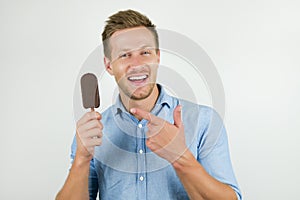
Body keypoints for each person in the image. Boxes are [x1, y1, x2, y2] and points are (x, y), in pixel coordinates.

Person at [56, 9, 242, 200]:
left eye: (145, 52)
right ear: (109, 65)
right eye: (124, 55)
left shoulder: (204, 121)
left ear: (157, 56)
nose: (137, 63)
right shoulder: (92, 132)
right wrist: (82, 159)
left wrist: (181, 158)